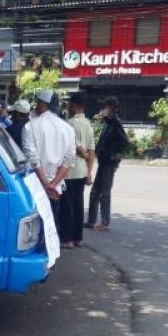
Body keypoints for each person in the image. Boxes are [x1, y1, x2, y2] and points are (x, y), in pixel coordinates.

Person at [22, 89, 76, 229]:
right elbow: (69, 160)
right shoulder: (68, 129)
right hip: (56, 188)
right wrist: (53, 184)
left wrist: (45, 184)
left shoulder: (30, 126)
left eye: (37, 103)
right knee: (52, 226)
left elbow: (33, 158)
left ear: (42, 104)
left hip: (35, 184)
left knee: (34, 227)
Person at [87, 96, 129, 231]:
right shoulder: (107, 122)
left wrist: (111, 153)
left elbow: (124, 143)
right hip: (103, 161)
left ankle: (105, 222)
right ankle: (91, 221)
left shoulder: (116, 123)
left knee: (104, 193)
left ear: (113, 109)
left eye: (106, 107)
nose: (103, 109)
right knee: (94, 192)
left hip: (109, 163)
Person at [62, 92, 95, 248]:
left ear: (76, 105)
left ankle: (68, 239)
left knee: (68, 207)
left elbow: (77, 148)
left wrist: (85, 155)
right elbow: (92, 150)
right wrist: (89, 172)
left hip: (69, 171)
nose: (68, 106)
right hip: (82, 172)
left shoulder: (69, 124)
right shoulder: (89, 125)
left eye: (70, 104)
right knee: (78, 205)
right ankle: (78, 238)